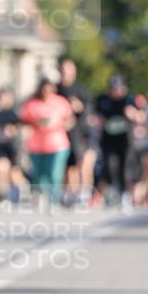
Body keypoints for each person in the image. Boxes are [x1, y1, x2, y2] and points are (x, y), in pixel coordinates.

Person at [19, 76, 74, 205]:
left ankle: (54, 200)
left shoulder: (60, 102)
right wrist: (36, 123)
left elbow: (70, 120)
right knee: (39, 174)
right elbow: (23, 122)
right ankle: (42, 196)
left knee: (54, 173)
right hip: (37, 146)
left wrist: (61, 124)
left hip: (57, 144)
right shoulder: (31, 104)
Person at [95, 75, 141, 209]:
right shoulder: (103, 100)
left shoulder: (129, 100)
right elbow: (96, 117)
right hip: (108, 140)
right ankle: (112, 191)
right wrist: (98, 120)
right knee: (109, 165)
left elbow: (139, 116)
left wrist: (132, 114)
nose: (116, 91)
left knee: (124, 167)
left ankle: (124, 194)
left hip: (125, 141)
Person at [56, 58, 95, 204]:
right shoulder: (55, 90)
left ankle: (84, 193)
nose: (65, 74)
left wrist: (79, 108)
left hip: (81, 133)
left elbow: (89, 112)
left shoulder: (81, 90)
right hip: (62, 134)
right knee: (68, 166)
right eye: (63, 70)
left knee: (83, 162)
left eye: (68, 70)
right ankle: (69, 194)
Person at [0, 88, 21, 201]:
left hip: (14, 147)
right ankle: (2, 196)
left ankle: (19, 195)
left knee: (14, 174)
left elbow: (21, 128)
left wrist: (12, 130)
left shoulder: (14, 114)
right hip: (1, 147)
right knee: (1, 169)